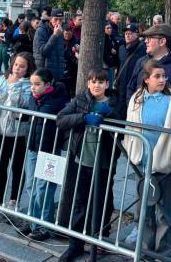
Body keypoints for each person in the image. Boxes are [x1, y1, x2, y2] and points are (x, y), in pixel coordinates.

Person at [122, 59, 171, 256]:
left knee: (164, 212)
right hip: (142, 164)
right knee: (144, 210)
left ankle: (163, 253)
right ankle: (145, 250)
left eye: (163, 76)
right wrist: (132, 151)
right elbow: (130, 128)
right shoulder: (137, 100)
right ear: (146, 79)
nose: (162, 79)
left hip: (164, 165)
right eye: (157, 76)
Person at [56, 69, 120, 262]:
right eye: (93, 82)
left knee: (101, 202)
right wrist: (83, 118)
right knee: (80, 202)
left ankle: (96, 242)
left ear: (107, 85)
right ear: (88, 84)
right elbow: (61, 119)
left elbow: (124, 126)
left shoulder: (114, 103)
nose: (97, 85)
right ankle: (75, 245)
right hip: (82, 159)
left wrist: (111, 116)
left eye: (101, 82)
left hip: (104, 162)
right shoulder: (80, 100)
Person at [0, 52, 35, 207]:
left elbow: (24, 102)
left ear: (28, 69)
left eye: (22, 66)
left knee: (17, 168)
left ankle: (13, 200)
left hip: (18, 133)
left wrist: (16, 85)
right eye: (16, 64)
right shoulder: (3, 79)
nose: (17, 68)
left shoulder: (29, 84)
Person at [21, 68, 69, 241]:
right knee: (30, 185)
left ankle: (45, 225)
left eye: (37, 84)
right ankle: (33, 221)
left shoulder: (58, 99)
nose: (33, 88)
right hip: (33, 146)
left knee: (44, 188)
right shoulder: (33, 98)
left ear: (47, 84)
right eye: (31, 84)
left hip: (49, 149)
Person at [126, 24, 171, 114]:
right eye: (145, 38)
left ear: (162, 41)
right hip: (138, 122)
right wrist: (134, 111)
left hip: (164, 126)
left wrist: (167, 120)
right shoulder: (141, 62)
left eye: (149, 38)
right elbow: (130, 89)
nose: (145, 41)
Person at [115, 24, 146, 119]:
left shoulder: (143, 49)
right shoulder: (121, 48)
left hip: (133, 87)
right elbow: (119, 65)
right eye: (126, 33)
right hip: (121, 88)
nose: (127, 35)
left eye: (130, 33)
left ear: (137, 35)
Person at [33, 9, 65, 80]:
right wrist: (54, 35)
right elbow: (44, 51)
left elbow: (60, 52)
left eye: (61, 20)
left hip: (57, 71)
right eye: (56, 19)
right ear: (50, 19)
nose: (58, 22)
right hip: (44, 71)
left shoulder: (60, 31)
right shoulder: (41, 30)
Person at [62, 27, 79, 96]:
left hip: (72, 65)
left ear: (72, 33)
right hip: (63, 64)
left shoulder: (76, 40)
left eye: (69, 34)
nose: (67, 36)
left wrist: (77, 49)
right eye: (66, 34)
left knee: (72, 82)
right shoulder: (60, 40)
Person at [103, 23, 120, 88]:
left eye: (110, 28)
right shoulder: (104, 39)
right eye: (107, 28)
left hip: (112, 64)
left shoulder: (112, 37)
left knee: (111, 82)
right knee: (108, 82)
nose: (110, 29)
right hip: (107, 64)